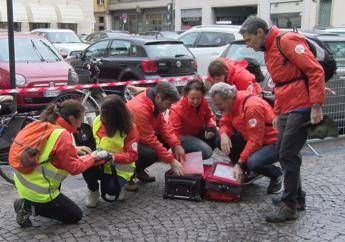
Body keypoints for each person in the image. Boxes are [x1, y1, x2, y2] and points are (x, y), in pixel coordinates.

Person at [239, 16, 325, 222]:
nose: (248, 46)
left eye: (249, 40)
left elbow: (315, 71)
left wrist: (316, 106)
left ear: (260, 32)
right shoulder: (269, 49)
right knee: (284, 153)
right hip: (288, 106)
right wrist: (277, 111)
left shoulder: (286, 41)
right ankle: (297, 197)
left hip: (301, 106)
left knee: (287, 154)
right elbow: (279, 84)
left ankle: (289, 205)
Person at [12, 100, 106, 227]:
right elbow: (74, 168)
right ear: (72, 119)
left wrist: (75, 150)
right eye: (81, 119)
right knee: (75, 215)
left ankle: (33, 203)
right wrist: (93, 157)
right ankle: (27, 206)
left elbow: (47, 150)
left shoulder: (44, 123)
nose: (80, 124)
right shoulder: (63, 135)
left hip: (22, 180)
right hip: (38, 190)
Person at [209, 83, 283, 193]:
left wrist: (239, 163)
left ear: (229, 98)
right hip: (251, 138)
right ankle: (246, 171)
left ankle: (276, 174)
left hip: (272, 142)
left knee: (253, 162)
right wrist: (224, 134)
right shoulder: (231, 104)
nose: (218, 108)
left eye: (219, 104)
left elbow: (255, 140)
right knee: (220, 140)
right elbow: (225, 122)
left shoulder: (251, 107)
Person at [83, 95, 139, 207]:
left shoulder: (130, 129)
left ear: (116, 117)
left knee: (111, 191)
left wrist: (113, 157)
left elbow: (132, 155)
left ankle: (121, 185)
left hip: (121, 168)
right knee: (84, 165)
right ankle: (93, 191)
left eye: (105, 117)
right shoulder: (97, 121)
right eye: (101, 114)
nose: (102, 119)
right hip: (102, 163)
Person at [126, 81, 186, 181]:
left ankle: (138, 170)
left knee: (166, 142)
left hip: (138, 138)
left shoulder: (153, 101)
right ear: (158, 97)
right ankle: (127, 175)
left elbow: (163, 127)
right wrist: (171, 160)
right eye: (168, 103)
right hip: (126, 143)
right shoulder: (140, 109)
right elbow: (149, 139)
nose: (170, 107)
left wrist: (176, 145)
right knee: (151, 153)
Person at [168, 80, 217, 159]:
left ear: (203, 96)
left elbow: (210, 116)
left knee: (217, 134)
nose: (195, 101)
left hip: (198, 131)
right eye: (192, 98)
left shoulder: (203, 102)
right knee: (206, 152)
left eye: (198, 98)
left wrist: (211, 127)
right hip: (183, 136)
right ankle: (184, 159)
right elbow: (173, 132)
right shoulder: (177, 108)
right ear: (186, 95)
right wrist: (176, 146)